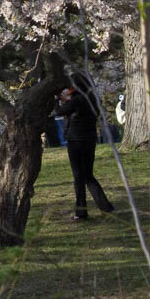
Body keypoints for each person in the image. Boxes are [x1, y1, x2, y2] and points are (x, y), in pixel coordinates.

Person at [57, 80, 115, 221]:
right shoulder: (93, 99)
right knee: (88, 175)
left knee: (78, 177)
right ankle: (105, 206)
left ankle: (81, 211)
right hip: (90, 139)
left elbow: (59, 111)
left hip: (76, 140)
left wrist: (56, 101)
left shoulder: (76, 100)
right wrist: (67, 100)